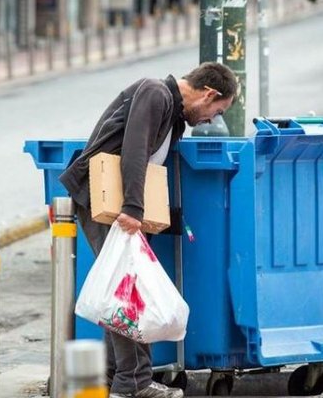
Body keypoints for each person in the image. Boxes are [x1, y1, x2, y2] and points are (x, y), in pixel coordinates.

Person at [60, 61, 238, 398]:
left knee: (121, 290)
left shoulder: (174, 115)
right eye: (218, 110)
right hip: (105, 201)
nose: (213, 119)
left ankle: (117, 381)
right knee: (127, 292)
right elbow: (135, 148)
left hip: (119, 205)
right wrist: (132, 208)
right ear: (209, 93)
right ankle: (134, 383)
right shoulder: (155, 92)